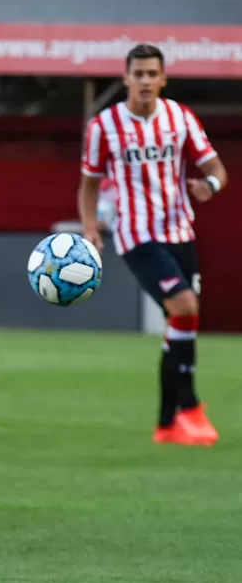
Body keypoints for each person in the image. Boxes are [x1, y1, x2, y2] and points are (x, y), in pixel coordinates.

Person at [79, 43, 228, 446]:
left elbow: (217, 168)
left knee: (180, 327)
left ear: (163, 78)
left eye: (151, 74)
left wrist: (209, 184)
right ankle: (192, 408)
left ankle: (166, 425)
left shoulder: (180, 118)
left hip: (181, 230)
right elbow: (89, 184)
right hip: (136, 234)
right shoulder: (104, 126)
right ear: (125, 77)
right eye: (138, 74)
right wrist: (91, 227)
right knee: (185, 308)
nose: (144, 81)